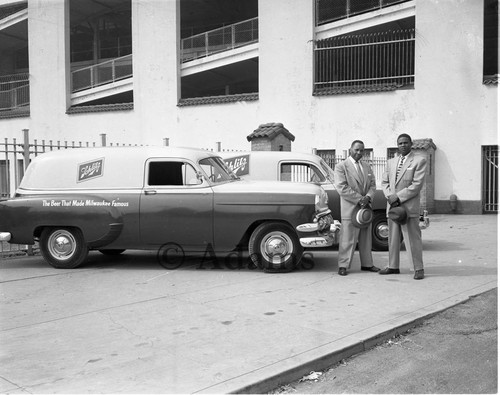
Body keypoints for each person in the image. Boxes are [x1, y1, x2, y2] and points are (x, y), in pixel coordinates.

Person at [380, 133, 427, 280]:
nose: (403, 145)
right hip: (393, 207)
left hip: (408, 207)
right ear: (397, 145)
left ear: (411, 144)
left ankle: (418, 268)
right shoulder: (391, 162)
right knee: (392, 239)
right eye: (400, 143)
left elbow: (417, 185)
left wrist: (398, 197)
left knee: (412, 239)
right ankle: (393, 266)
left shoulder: (419, 161)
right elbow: (384, 183)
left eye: (406, 143)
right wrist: (389, 196)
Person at [334, 140, 380, 276]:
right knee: (347, 238)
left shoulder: (367, 167)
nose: (359, 153)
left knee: (366, 238)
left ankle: (367, 264)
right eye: (356, 150)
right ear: (350, 150)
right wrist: (360, 199)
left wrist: (369, 197)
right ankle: (343, 265)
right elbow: (342, 187)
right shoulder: (341, 166)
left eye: (362, 150)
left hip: (365, 208)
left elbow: (373, 185)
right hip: (351, 208)